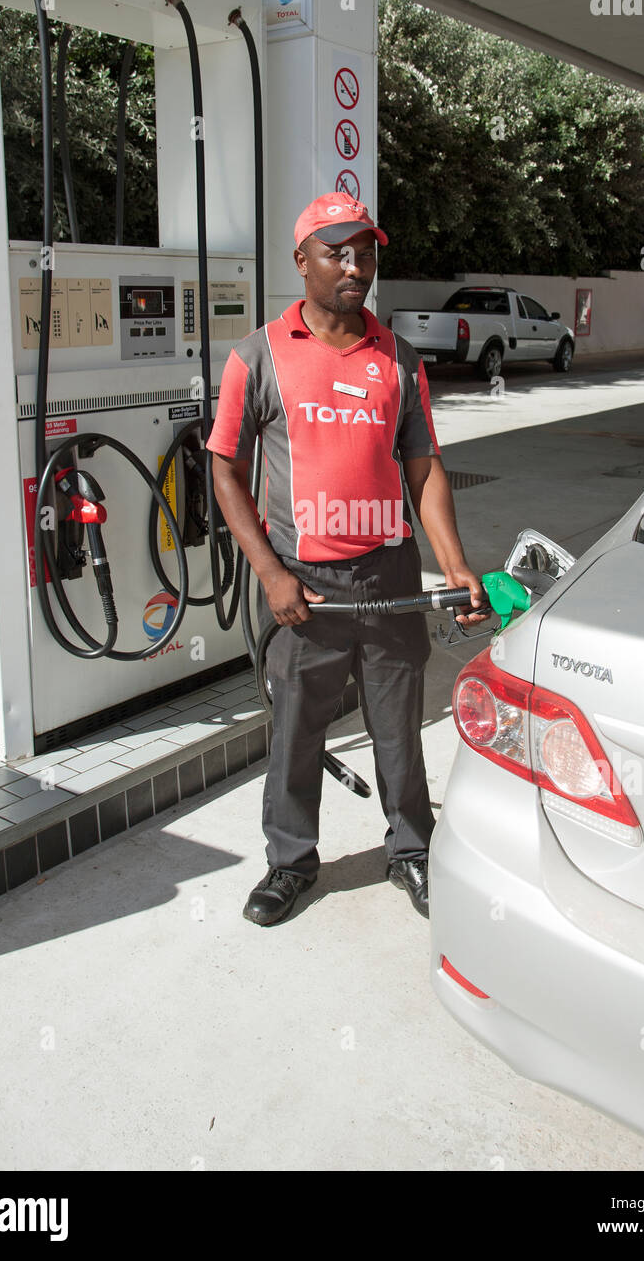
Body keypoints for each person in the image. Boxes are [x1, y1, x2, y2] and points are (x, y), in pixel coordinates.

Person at [207, 192, 486, 926]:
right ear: (301, 260)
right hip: (305, 581)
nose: (354, 265)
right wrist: (270, 574)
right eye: (336, 251)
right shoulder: (256, 356)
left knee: (398, 724)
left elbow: (423, 466)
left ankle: (412, 852)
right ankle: (289, 863)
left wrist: (453, 564)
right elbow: (225, 474)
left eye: (364, 250)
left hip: (387, 572)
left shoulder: (397, 358)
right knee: (298, 728)